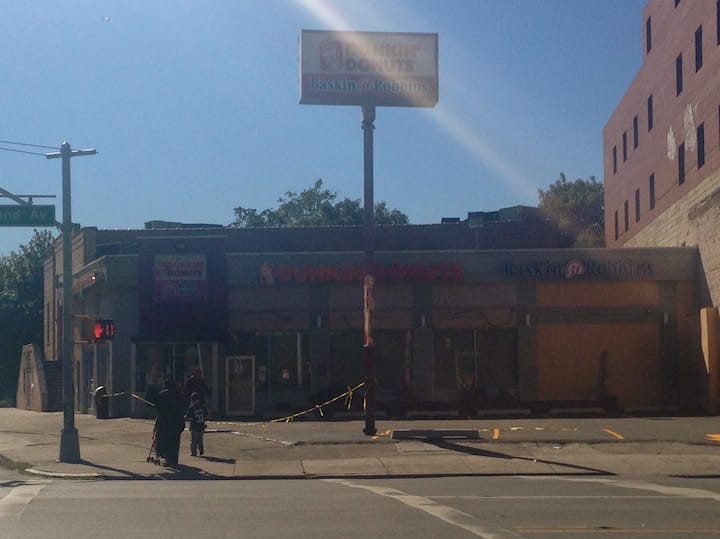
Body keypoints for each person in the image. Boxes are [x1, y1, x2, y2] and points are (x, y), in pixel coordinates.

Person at [155, 379, 185, 467]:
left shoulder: (162, 395)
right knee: (175, 441)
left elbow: (159, 409)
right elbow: (181, 408)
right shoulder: (178, 394)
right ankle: (174, 459)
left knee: (166, 441)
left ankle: (168, 459)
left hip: (165, 422)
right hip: (177, 421)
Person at [186, 392, 208, 456]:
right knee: (199, 439)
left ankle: (194, 452)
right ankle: (200, 450)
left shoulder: (192, 408)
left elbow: (189, 417)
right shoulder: (203, 407)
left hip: (194, 426)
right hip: (201, 425)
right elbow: (206, 414)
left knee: (194, 441)